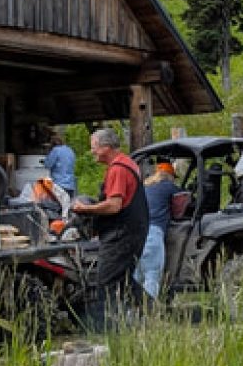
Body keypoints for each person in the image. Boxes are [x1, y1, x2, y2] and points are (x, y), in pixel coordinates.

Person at [73, 127, 148, 329]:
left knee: (106, 281)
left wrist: (86, 209)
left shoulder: (118, 169)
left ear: (106, 147)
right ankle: (152, 312)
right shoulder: (129, 163)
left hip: (121, 234)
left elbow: (114, 205)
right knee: (124, 279)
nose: (92, 152)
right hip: (134, 231)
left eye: (94, 147)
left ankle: (109, 325)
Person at [135, 161, 178, 301]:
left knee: (137, 276)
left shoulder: (145, 188)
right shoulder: (168, 186)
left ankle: (129, 312)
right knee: (152, 274)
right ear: (170, 176)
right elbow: (187, 199)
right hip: (153, 234)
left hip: (138, 234)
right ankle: (148, 311)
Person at [44, 127, 78, 198]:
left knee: (58, 207)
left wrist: (46, 158)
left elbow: (48, 165)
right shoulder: (70, 150)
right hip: (71, 185)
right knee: (68, 206)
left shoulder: (56, 150)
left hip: (59, 185)